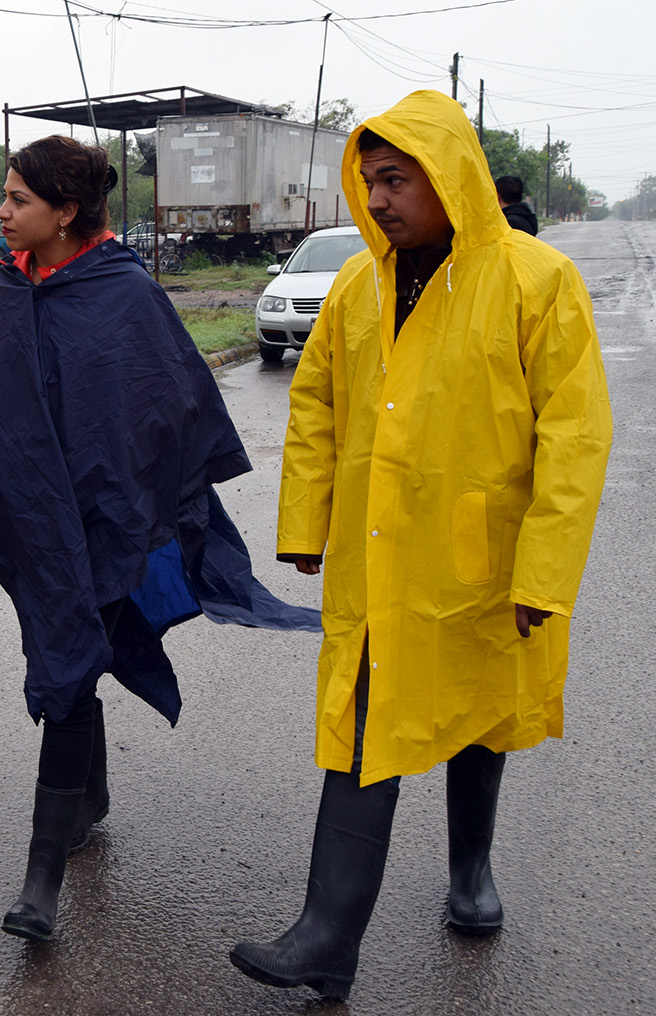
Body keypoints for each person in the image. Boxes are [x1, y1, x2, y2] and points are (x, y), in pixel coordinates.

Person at [229, 91, 611, 999]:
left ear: (448, 180)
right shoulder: (360, 284)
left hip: (485, 559)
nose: (380, 198)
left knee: (477, 715)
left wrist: (545, 573)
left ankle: (470, 872)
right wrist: (305, 522)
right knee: (364, 724)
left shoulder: (537, 281)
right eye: (369, 181)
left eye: (396, 179)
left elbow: (576, 437)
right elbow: (315, 400)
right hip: (377, 556)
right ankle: (328, 938)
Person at [0, 136, 320, 942]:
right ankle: (90, 799)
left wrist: (142, 505)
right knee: (65, 652)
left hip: (113, 521)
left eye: (17, 201)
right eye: (3, 197)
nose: (0, 213)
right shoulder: (2, 295)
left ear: (65, 212)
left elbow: (165, 406)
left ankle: (40, 885)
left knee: (69, 666)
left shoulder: (126, 295)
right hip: (36, 525)